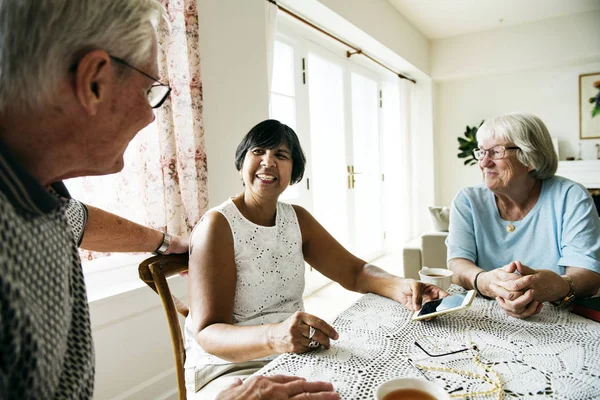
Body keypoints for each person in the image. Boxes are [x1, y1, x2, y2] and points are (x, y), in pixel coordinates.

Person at [0, 1, 330, 399]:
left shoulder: (44, 198)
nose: (150, 115)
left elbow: (81, 220)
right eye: (148, 90)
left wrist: (167, 243)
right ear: (94, 81)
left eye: (282, 155)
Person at [185, 119, 448, 398]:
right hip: (229, 369)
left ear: (294, 171)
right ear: (241, 163)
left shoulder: (296, 219)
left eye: (281, 155)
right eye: (258, 151)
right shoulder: (217, 224)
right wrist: (275, 336)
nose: (268, 162)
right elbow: (208, 332)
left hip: (290, 354)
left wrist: (403, 287)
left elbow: (355, 272)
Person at [446, 113, 600, 319]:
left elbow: (588, 274)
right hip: (485, 316)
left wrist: (559, 285)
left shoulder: (570, 197)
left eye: (495, 152)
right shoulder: (467, 200)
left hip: (556, 317)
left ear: (530, 158)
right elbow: (457, 263)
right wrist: (487, 282)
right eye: (482, 152)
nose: (484, 163)